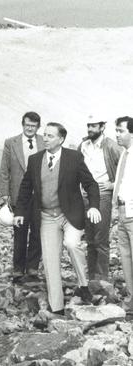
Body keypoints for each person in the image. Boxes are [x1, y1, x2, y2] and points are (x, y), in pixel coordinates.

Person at [14, 122, 101, 314]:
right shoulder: (35, 160)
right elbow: (26, 187)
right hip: (46, 216)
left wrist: (94, 206)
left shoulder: (74, 158)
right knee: (50, 260)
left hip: (70, 214)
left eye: (50, 136)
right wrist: (20, 212)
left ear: (61, 139)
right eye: (44, 135)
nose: (45, 138)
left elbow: (91, 185)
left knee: (71, 244)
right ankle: (57, 308)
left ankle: (83, 284)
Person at [0, 112, 45, 283]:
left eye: (33, 126)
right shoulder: (11, 143)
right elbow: (4, 171)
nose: (30, 128)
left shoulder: (44, 142)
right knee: (20, 233)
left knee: (38, 231)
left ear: (38, 127)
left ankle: (32, 268)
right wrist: (5, 195)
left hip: (40, 197)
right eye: (27, 125)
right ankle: (18, 270)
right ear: (22, 124)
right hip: (19, 197)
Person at [78, 118, 122, 281]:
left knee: (100, 239)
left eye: (94, 126)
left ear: (102, 127)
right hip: (85, 196)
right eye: (88, 125)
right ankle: (91, 277)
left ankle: (102, 278)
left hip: (103, 196)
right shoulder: (83, 145)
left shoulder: (111, 146)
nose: (90, 129)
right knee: (89, 239)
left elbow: (126, 167)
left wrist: (113, 185)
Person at [113, 116, 133, 312]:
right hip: (121, 210)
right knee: (125, 256)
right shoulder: (124, 154)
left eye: (121, 131)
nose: (117, 134)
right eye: (116, 131)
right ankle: (131, 298)